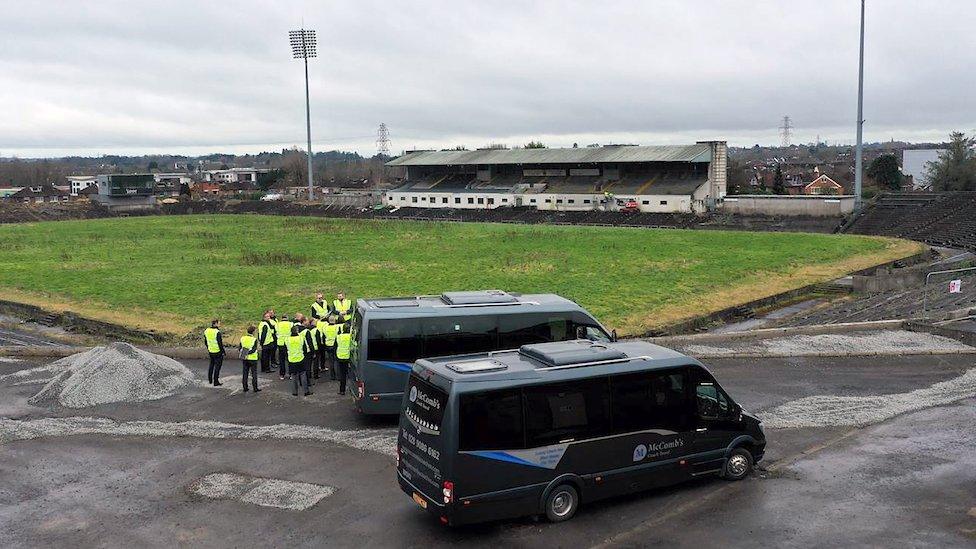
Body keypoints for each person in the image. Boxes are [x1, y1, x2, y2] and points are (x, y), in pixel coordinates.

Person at [286, 325, 312, 397]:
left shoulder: (287, 339)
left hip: (291, 360)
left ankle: (295, 392)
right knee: (303, 375)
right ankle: (306, 391)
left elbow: (286, 349)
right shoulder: (301, 338)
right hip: (300, 358)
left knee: (294, 376)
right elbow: (304, 349)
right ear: (297, 331)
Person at [239, 325, 261, 393]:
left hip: (244, 358)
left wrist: (245, 353)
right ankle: (255, 388)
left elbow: (240, 348)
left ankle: (245, 387)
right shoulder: (254, 339)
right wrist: (248, 352)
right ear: (253, 332)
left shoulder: (242, 338)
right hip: (253, 358)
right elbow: (254, 350)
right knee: (254, 373)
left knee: (245, 373)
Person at [204, 319, 225, 386]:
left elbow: (205, 341)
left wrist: (208, 348)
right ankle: (216, 381)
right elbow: (220, 343)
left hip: (211, 351)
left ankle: (210, 380)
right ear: (215, 324)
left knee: (211, 365)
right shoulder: (217, 332)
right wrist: (223, 352)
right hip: (217, 351)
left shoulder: (206, 331)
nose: (220, 324)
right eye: (219, 323)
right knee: (217, 367)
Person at [334, 321, 352, 395]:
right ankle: (352, 389)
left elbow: (335, 346)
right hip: (349, 357)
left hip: (340, 357)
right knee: (351, 374)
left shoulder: (338, 336)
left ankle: (342, 390)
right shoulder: (351, 336)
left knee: (343, 375)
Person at [275, 314, 293, 380]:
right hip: (288, 343)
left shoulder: (277, 324)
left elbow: (276, 332)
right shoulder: (291, 324)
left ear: (281, 318)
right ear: (287, 318)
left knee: (282, 360)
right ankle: (291, 374)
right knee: (290, 359)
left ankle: (282, 374)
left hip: (280, 343)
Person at [322, 314, 339, 380]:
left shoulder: (325, 327)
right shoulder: (336, 327)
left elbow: (323, 336)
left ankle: (332, 376)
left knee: (331, 361)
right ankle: (338, 375)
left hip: (328, 345)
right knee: (336, 361)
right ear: (334, 321)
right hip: (335, 345)